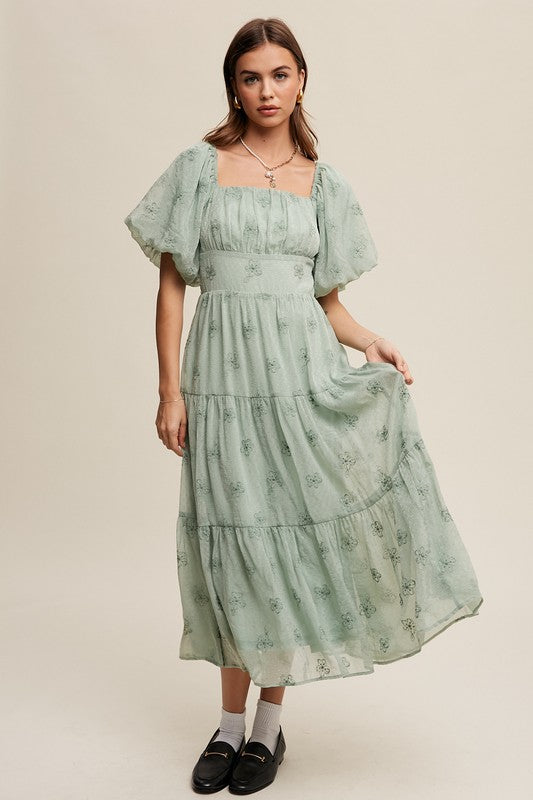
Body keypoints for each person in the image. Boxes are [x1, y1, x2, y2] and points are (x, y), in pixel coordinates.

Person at [124, 16, 483, 796]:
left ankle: (266, 730)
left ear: (301, 80)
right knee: (232, 545)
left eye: (280, 74)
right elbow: (171, 286)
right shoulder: (198, 167)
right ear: (233, 85)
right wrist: (168, 391)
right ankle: (224, 726)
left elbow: (326, 302)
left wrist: (370, 342)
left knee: (287, 545)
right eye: (251, 77)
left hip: (300, 382)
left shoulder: (326, 183)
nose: (266, 91)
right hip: (221, 383)